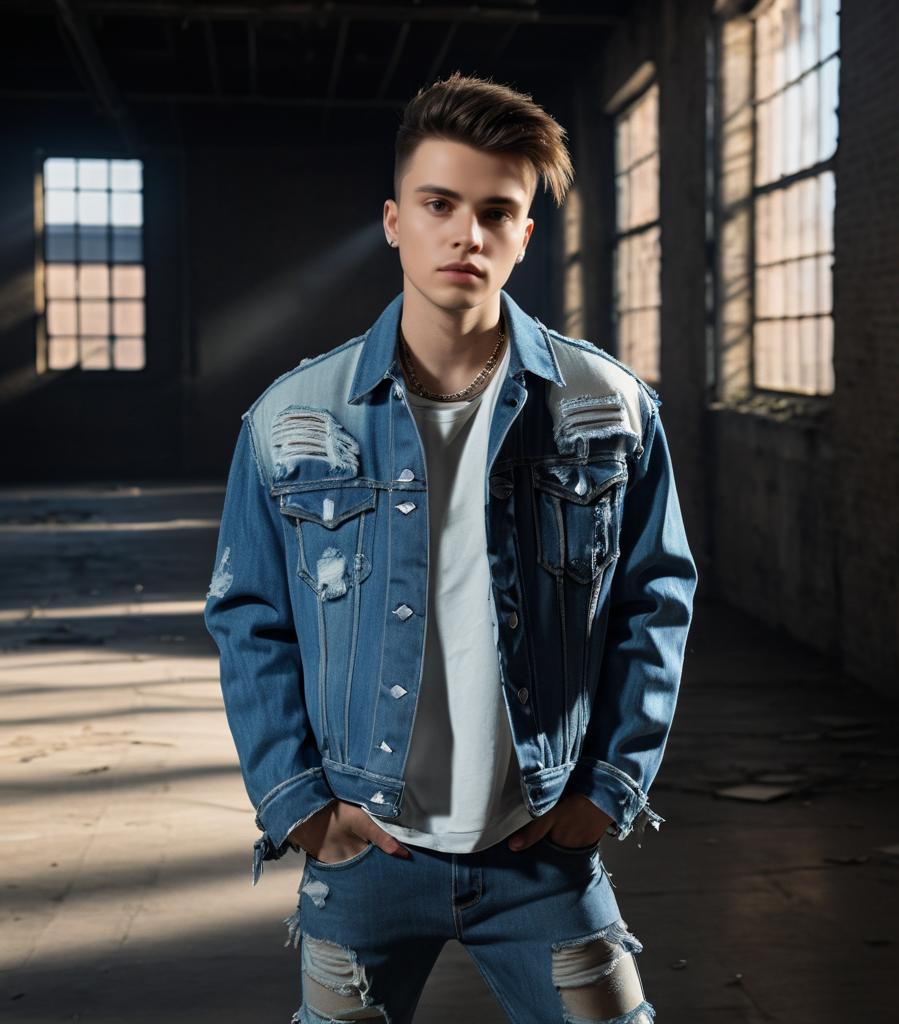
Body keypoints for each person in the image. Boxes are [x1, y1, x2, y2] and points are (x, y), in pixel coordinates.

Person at [203, 70, 697, 1024]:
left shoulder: (607, 411)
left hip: (542, 849)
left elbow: (655, 599)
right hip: (368, 850)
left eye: (494, 211)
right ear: (395, 221)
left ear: (524, 235)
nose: (464, 234)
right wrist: (300, 804)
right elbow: (248, 615)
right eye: (439, 204)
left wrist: (609, 786)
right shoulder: (293, 417)